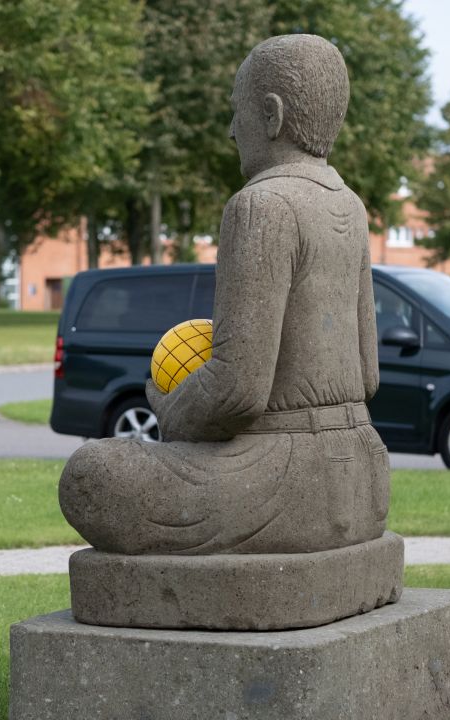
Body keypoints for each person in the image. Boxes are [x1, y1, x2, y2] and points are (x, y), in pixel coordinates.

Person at [59, 34, 389, 555]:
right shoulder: (351, 206)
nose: (233, 132)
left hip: (281, 483)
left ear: (272, 115)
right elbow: (368, 374)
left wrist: (170, 412)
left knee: (91, 475)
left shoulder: (261, 206)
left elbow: (239, 390)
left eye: (238, 114)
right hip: (365, 478)